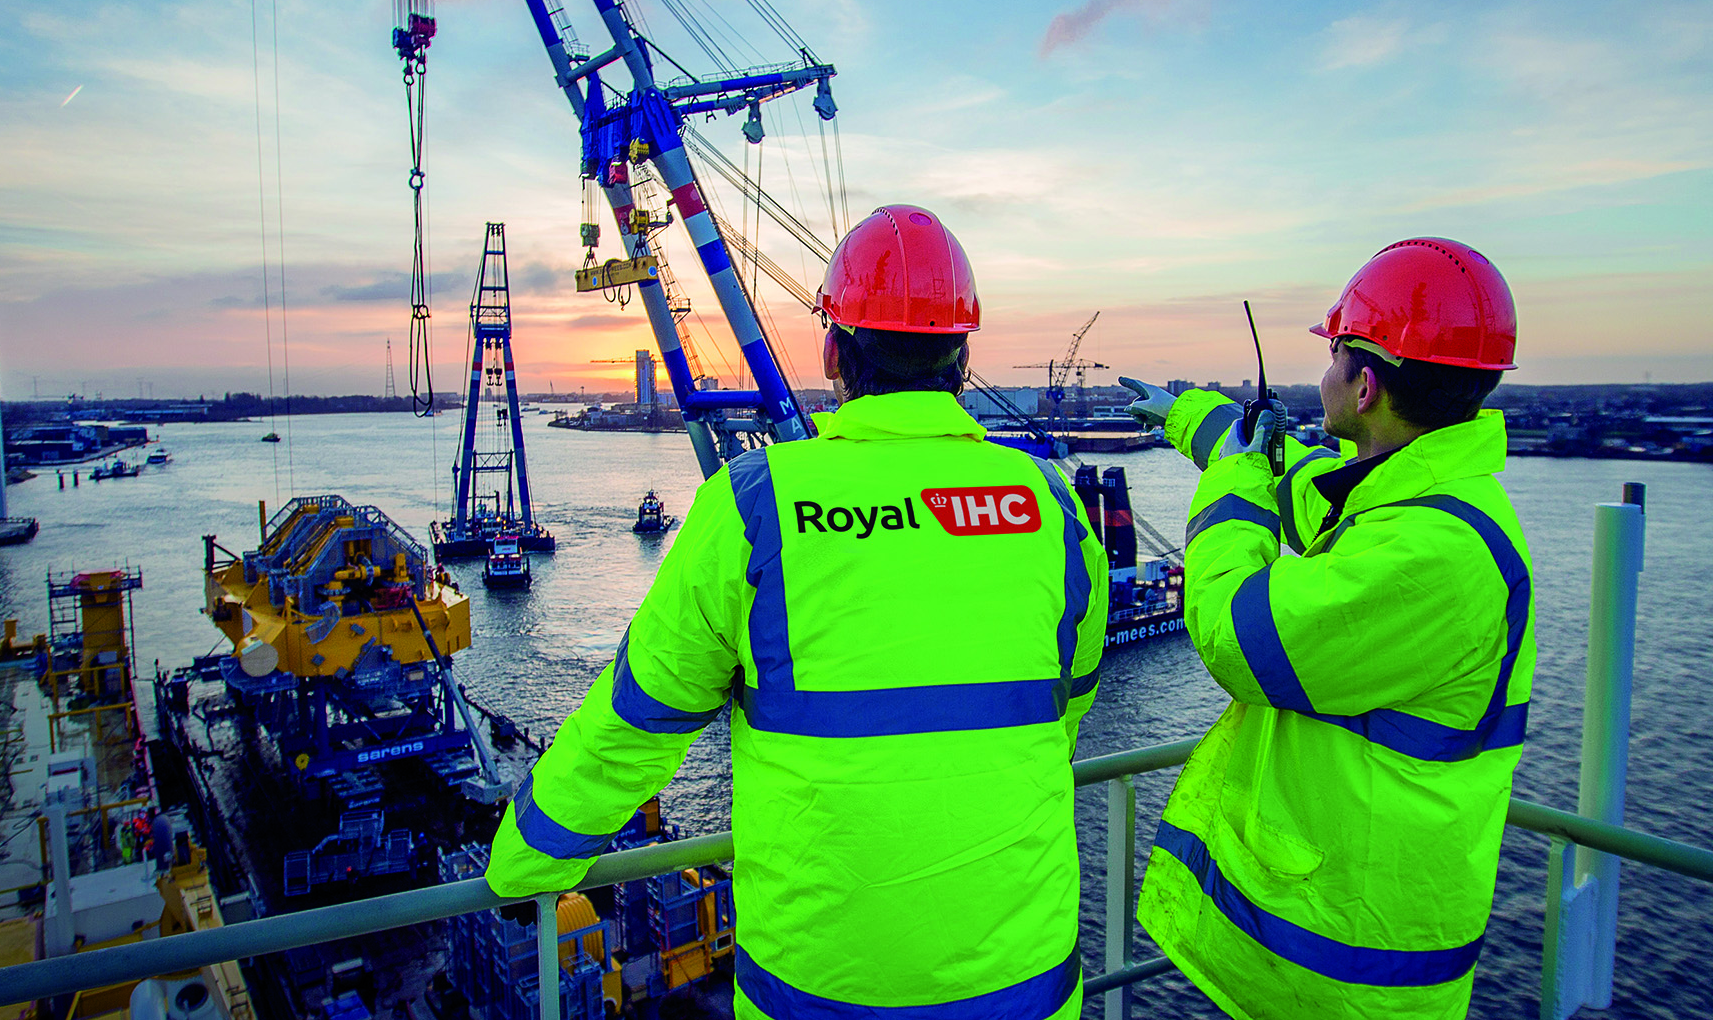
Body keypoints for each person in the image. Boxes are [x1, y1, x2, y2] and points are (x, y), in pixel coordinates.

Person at [483, 205, 1109, 1019]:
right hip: (1027, 987)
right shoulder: (1053, 507)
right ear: (963, 356)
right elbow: (1068, 701)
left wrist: (520, 863)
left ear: (832, 352)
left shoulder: (755, 505)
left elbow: (632, 725)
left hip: (819, 994)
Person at [1117, 237, 1533, 1020]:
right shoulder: (1408, 501)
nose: (1324, 370)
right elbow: (1302, 483)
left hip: (1352, 973)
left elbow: (1236, 634)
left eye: (1335, 352)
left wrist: (1231, 482)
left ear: (1365, 383)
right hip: (1326, 942)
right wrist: (1196, 418)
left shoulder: (1433, 553)